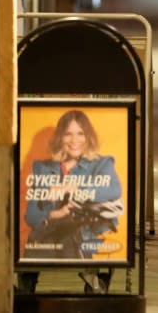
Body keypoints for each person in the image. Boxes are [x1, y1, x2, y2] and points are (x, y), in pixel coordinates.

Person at [24, 109, 124, 260]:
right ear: (60, 138)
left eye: (80, 133)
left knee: (69, 238)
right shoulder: (42, 168)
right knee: (38, 245)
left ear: (88, 137)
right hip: (47, 236)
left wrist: (73, 188)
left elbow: (113, 190)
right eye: (68, 134)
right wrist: (56, 214)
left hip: (81, 237)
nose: (74, 140)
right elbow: (31, 216)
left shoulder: (101, 164)